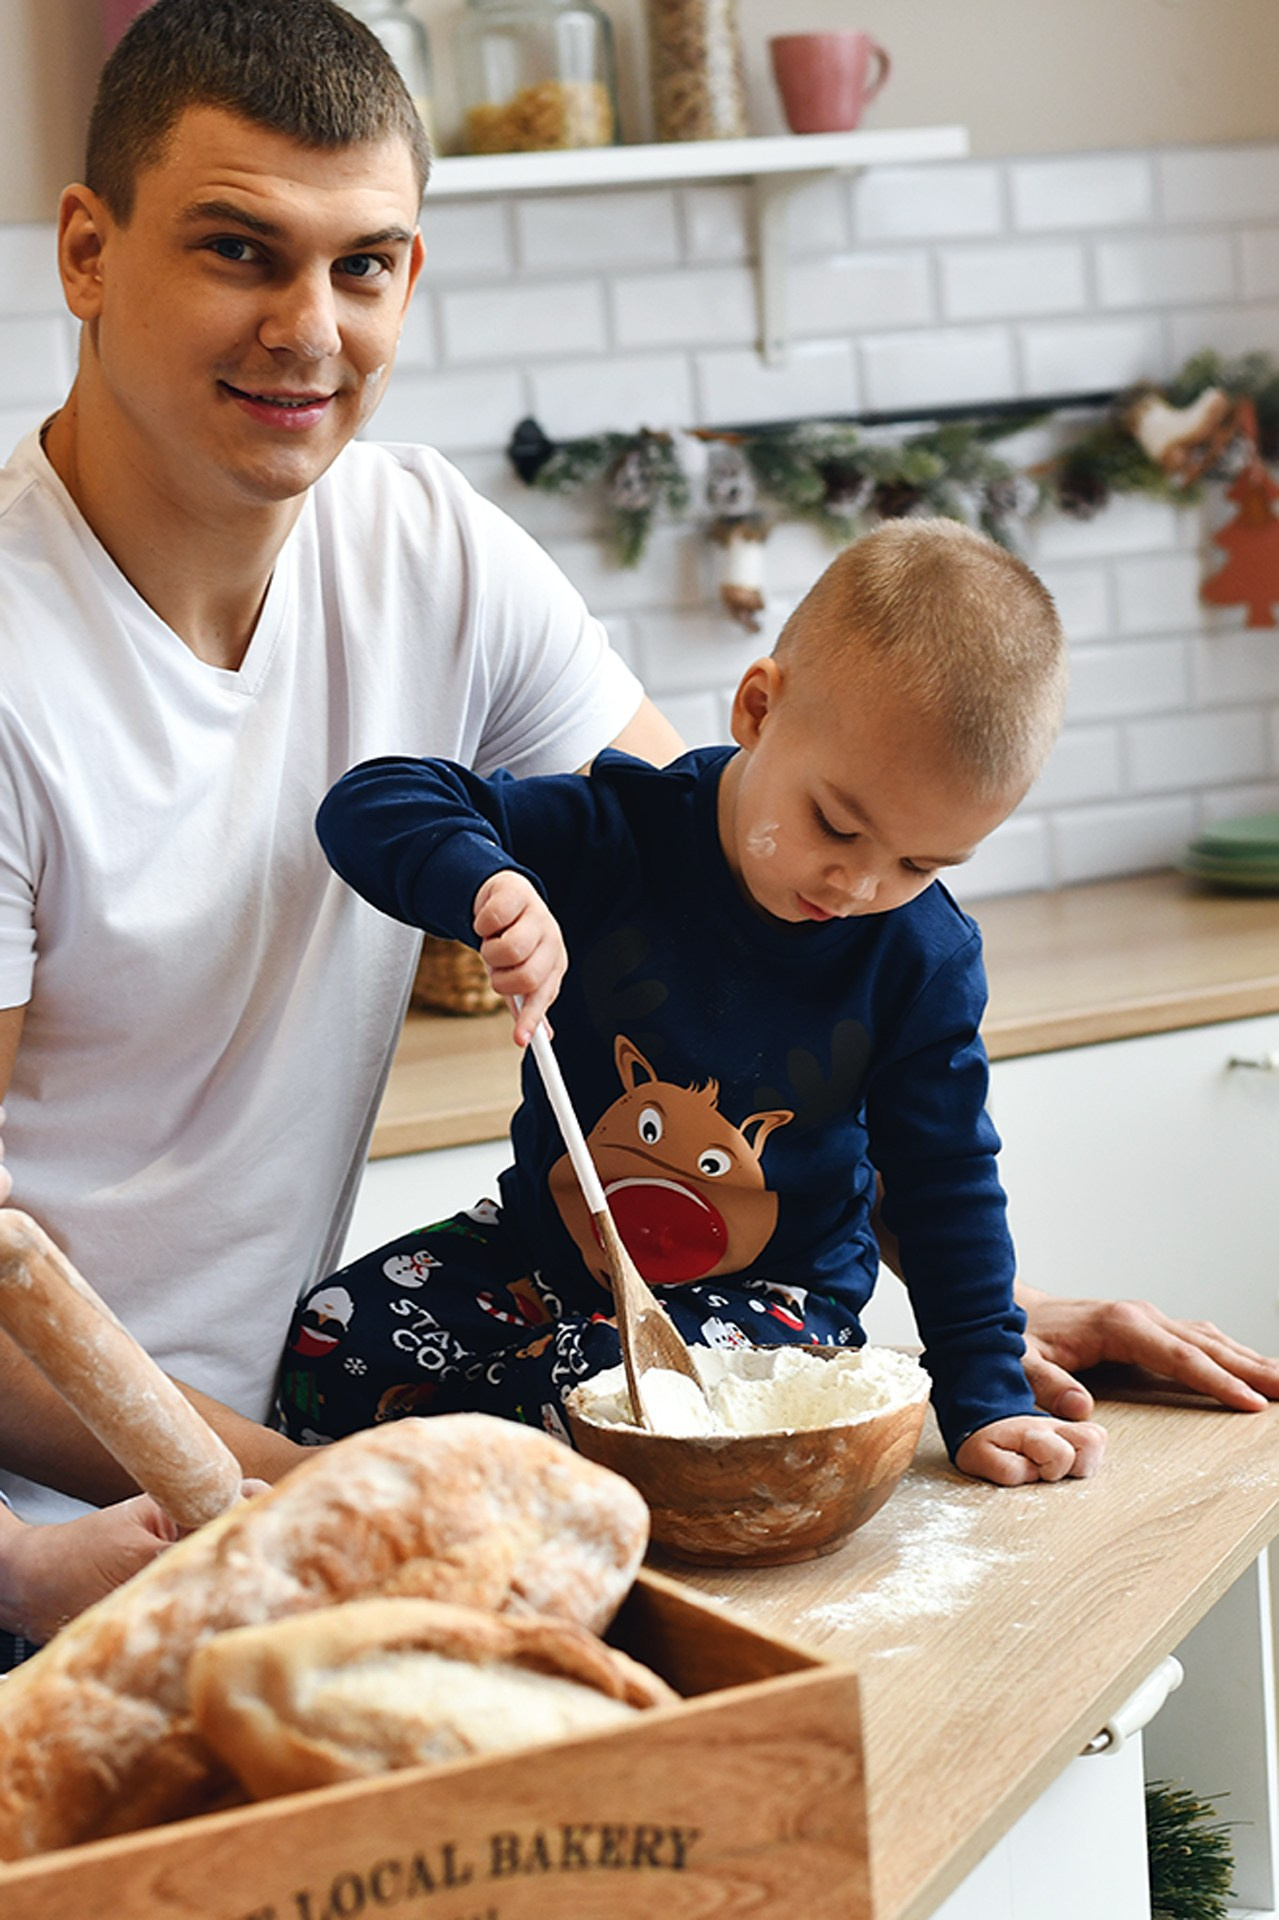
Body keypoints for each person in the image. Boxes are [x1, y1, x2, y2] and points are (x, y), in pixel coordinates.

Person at [0, 0, 1273, 1599]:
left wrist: (904, 1336)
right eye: (239, 250)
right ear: (87, 253)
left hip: (321, 1454)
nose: (308, 329)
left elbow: (744, 964)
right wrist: (330, 1500)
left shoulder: (425, 546)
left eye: (365, 263)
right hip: (68, 1540)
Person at [287, 520, 1108, 1484]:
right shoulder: (616, 832)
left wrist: (985, 1394)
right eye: (835, 825)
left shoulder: (920, 957)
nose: (859, 882)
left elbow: (944, 1183)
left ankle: (454, 1502)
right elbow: (374, 800)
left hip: (775, 1308)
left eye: (922, 864)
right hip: (544, 1262)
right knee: (333, 1341)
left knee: (595, 1387)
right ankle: (423, 1504)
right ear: (758, 707)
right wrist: (486, 884)